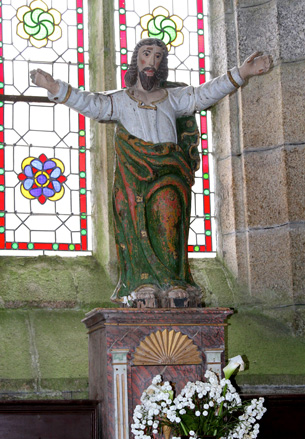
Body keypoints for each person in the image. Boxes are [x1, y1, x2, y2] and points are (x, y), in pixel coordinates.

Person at [31, 38, 271, 308]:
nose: (152, 62)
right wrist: (54, 87)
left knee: (168, 214)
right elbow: (92, 104)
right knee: (134, 220)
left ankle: (173, 281)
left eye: (158, 57)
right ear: (136, 60)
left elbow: (205, 93)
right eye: (147, 54)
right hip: (133, 174)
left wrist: (242, 72)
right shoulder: (121, 100)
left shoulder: (174, 98)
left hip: (169, 172)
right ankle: (141, 282)